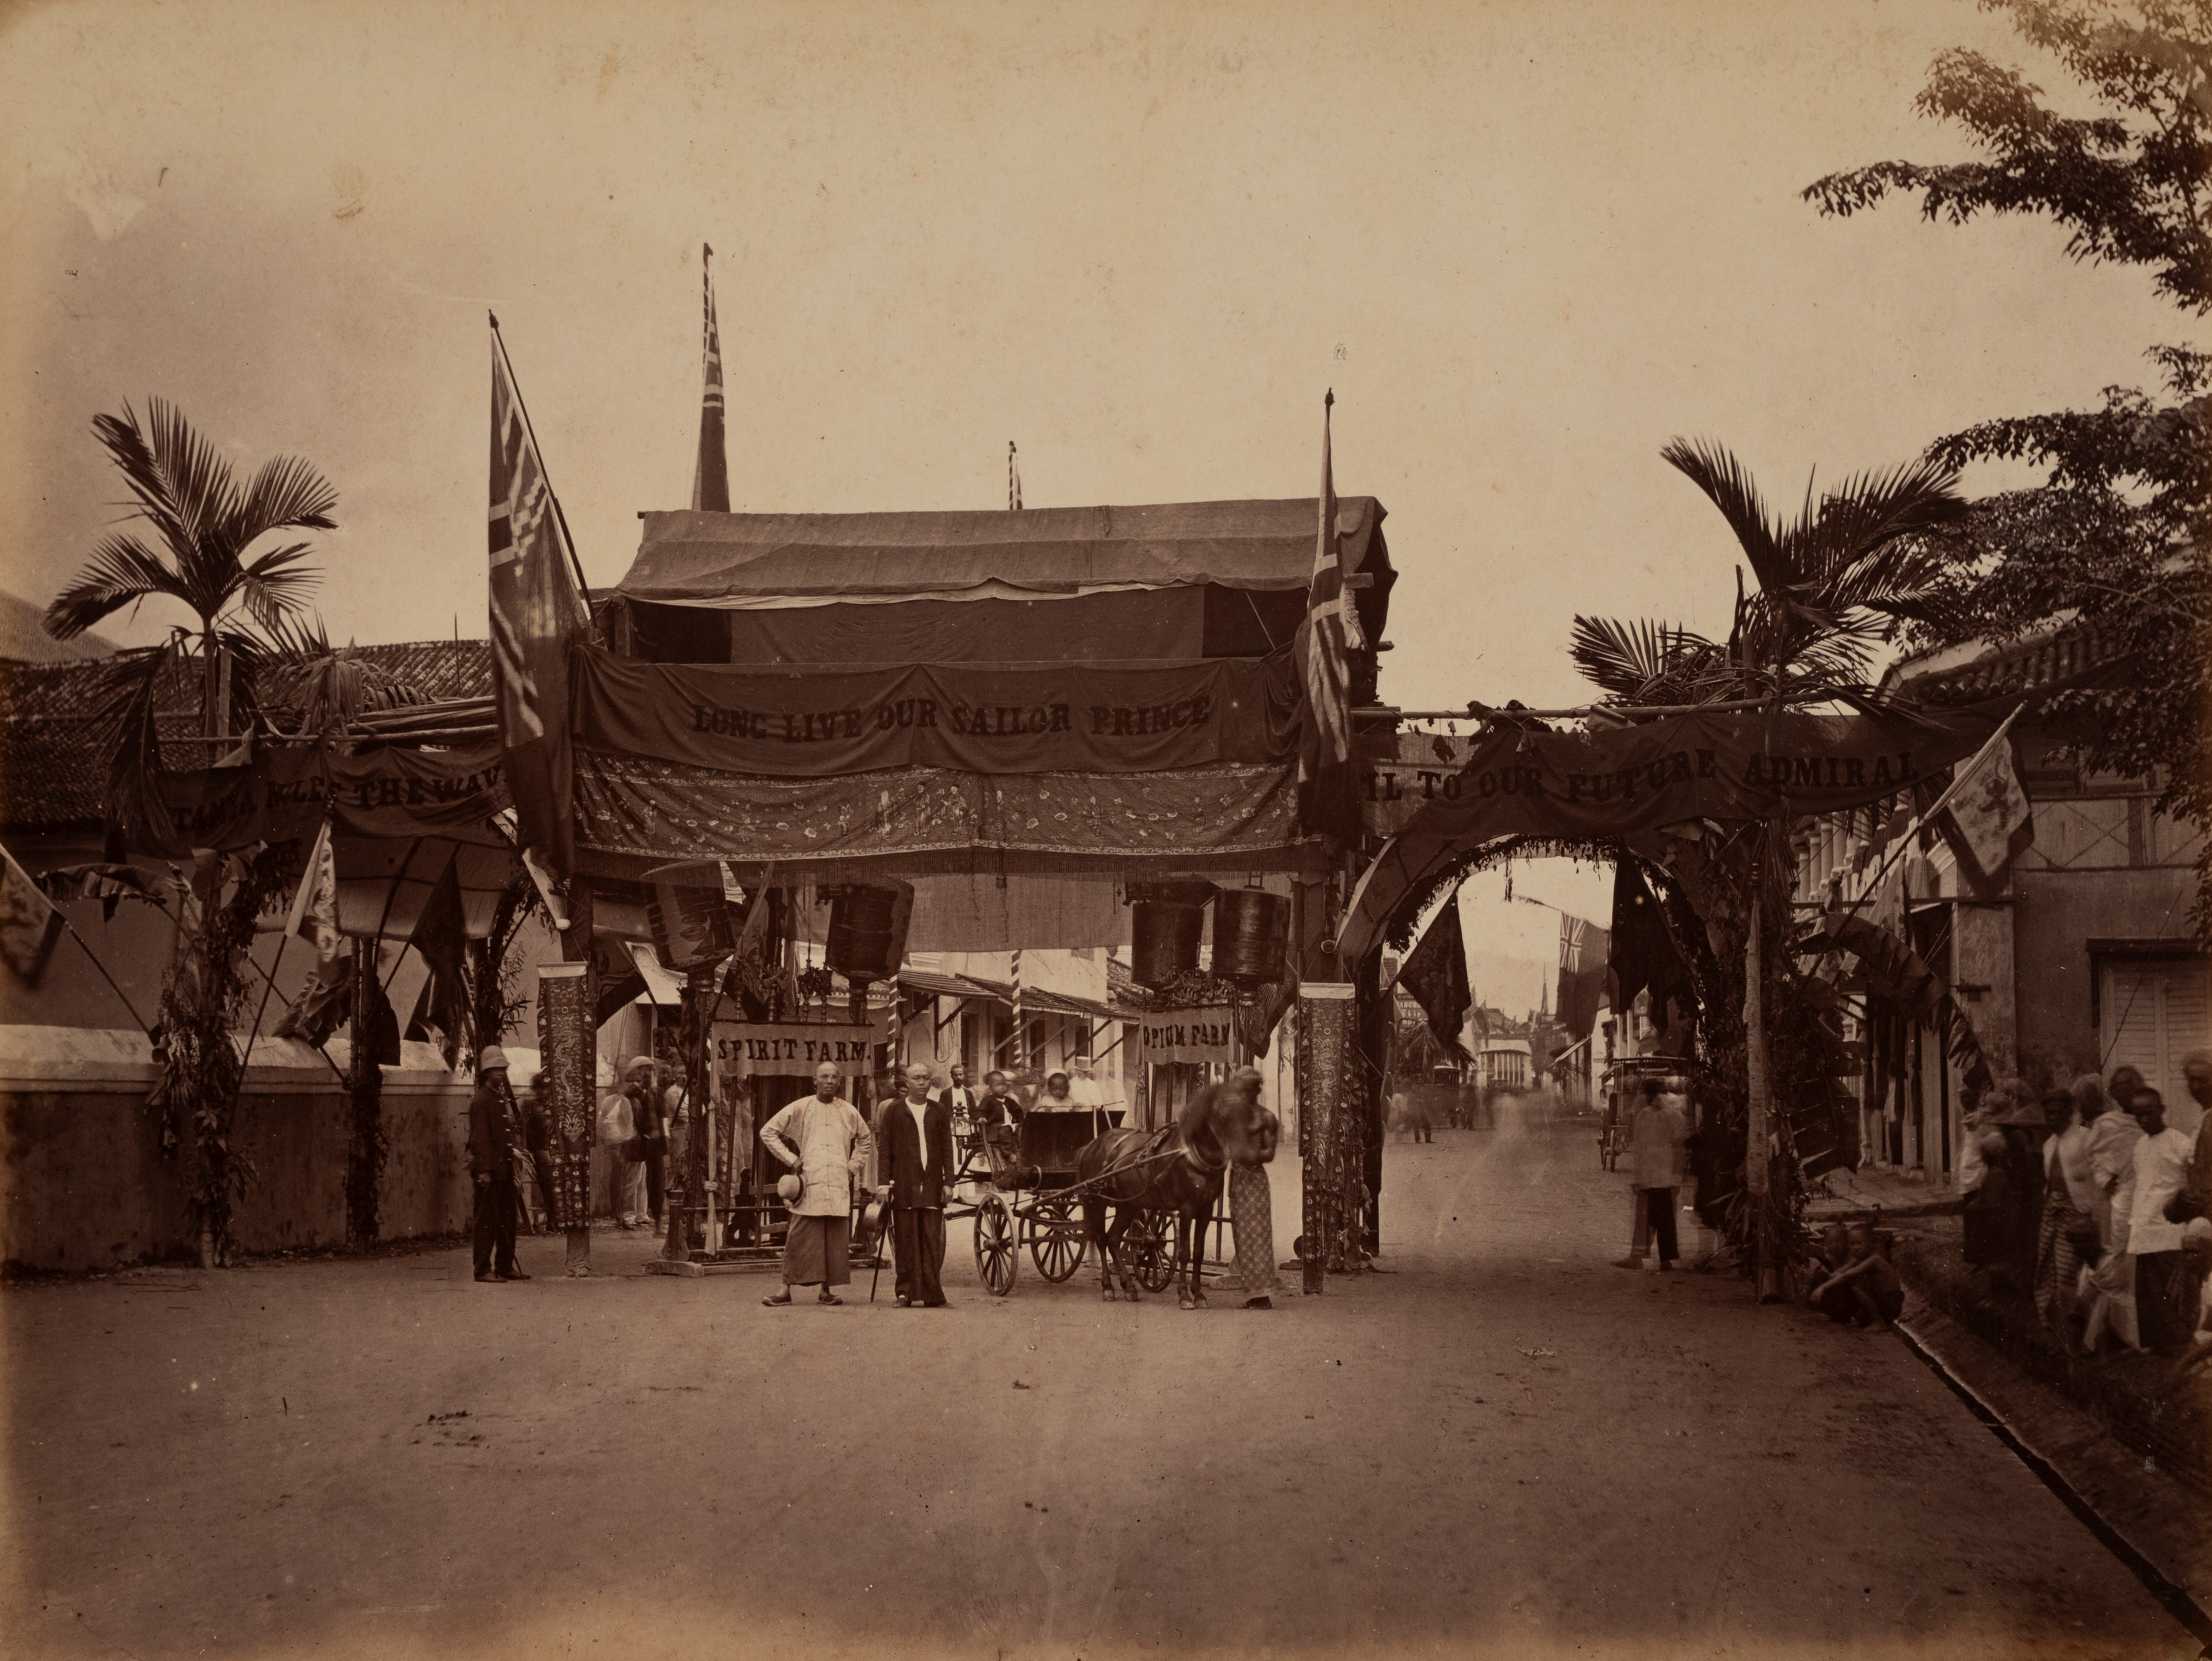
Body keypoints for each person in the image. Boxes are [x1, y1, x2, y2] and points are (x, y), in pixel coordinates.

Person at [758, 1063, 872, 1308]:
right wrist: (792, 1159)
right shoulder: (802, 1106)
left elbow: (865, 1139)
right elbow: (768, 1132)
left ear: (840, 1082)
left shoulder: (849, 1110)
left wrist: (852, 1168)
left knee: (833, 1237)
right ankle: (784, 1290)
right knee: (799, 1235)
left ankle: (826, 1291)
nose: (830, 1081)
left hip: (839, 1182)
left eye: (834, 1077)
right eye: (824, 1077)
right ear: (815, 1080)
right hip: (811, 1181)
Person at [877, 1060, 957, 1308]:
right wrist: (883, 1185)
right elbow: (885, 1149)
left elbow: (947, 1148)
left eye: (925, 1078)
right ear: (907, 1083)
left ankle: (933, 1293)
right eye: (916, 1079)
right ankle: (904, 1293)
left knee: (932, 1240)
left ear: (931, 1081)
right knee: (905, 1238)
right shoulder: (894, 1110)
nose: (921, 1083)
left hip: (932, 1183)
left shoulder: (939, 1110)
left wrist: (949, 1182)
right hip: (903, 1183)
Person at [2123, 1087, 2196, 1354]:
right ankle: (2156, 1343)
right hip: (2143, 1227)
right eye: (2137, 1115)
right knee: (2148, 1292)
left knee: (2172, 1290)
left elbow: (2193, 1182)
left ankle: (2178, 1345)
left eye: (2148, 1113)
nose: (2143, 1120)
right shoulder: (2140, 1145)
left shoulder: (2180, 1142)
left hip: (2169, 1229)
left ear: (2162, 1110)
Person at [2033, 1085, 2098, 1330]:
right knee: (2047, 1265)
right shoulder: (2049, 1144)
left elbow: (2097, 1176)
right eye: (2050, 1113)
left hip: (2079, 1212)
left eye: (2059, 1113)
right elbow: (2050, 1183)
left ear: (2070, 1112)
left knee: (2070, 1270)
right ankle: (2052, 1321)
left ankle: (2077, 1325)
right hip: (2053, 1211)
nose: (2054, 1118)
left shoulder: (2085, 1137)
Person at [1220, 1066, 1283, 1310]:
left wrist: (1247, 1153)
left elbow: (1269, 1153)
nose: (1242, 1096)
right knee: (1243, 1237)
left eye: (1245, 1091)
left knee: (1258, 1237)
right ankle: (1256, 1294)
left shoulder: (1266, 1118)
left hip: (1255, 1180)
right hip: (1237, 1179)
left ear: (1255, 1091)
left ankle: (1263, 1296)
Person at [468, 1046, 528, 1282]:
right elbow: (479, 1138)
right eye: (495, 1070)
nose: (501, 1074)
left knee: (507, 1219)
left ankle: (504, 1266)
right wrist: (483, 1171)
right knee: (486, 1222)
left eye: (503, 1069)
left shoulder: (497, 1097)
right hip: (490, 1172)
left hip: (503, 1170)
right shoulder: (482, 1100)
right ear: (486, 1072)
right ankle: (482, 1269)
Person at [1614, 1077, 1688, 1271]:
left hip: (1664, 1176)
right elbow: (1639, 1148)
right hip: (1649, 1175)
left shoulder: (1673, 1116)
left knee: (1664, 1220)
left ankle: (1666, 1259)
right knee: (1647, 1218)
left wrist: (1676, 1178)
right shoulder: (1644, 1116)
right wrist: (1637, 1178)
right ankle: (1639, 1257)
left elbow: (1680, 1148)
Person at [1810, 1221, 1903, 1329]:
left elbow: (1847, 1275)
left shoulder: (1874, 1260)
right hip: (1879, 1302)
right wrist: (1832, 1262)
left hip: (1890, 1305)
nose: (1855, 1247)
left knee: (1857, 1284)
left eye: (1860, 1243)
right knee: (1836, 1280)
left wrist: (1822, 1288)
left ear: (1871, 1243)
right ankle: (1844, 1316)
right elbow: (1838, 1274)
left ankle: (1878, 1322)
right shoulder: (1857, 1259)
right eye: (1852, 1244)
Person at [623, 1057, 670, 1236]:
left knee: (656, 1183)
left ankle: (658, 1223)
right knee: (634, 1182)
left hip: (655, 1145)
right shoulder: (633, 1095)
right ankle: (628, 1218)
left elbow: (663, 1118)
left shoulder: (657, 1093)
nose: (648, 1077)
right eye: (644, 1074)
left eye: (650, 1073)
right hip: (639, 1143)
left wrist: (664, 1139)